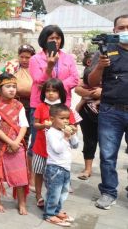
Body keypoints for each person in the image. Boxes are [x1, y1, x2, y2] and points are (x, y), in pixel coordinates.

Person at [89, 14, 128, 209]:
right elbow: (91, 82)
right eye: (121, 28)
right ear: (114, 31)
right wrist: (100, 67)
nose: (125, 31)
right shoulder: (105, 50)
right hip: (110, 111)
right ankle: (108, 192)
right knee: (108, 154)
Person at [29, 26, 79, 155]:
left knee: (61, 139)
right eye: (52, 38)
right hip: (40, 105)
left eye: (58, 38)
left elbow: (74, 79)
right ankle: (34, 174)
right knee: (37, 142)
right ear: (44, 40)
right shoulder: (35, 59)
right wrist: (49, 66)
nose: (55, 41)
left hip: (62, 106)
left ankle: (56, 168)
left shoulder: (68, 58)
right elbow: (38, 81)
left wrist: (56, 86)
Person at [0, 72, 29, 215]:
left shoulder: (19, 105)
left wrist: (16, 142)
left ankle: (21, 202)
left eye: (14, 87)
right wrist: (10, 142)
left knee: (21, 174)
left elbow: (24, 125)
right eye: (8, 86)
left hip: (17, 143)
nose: (12, 90)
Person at [32, 78, 77, 209]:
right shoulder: (41, 107)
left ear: (61, 93)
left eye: (54, 91)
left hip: (58, 151)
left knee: (53, 175)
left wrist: (72, 129)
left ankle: (51, 197)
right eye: (48, 90)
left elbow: (73, 125)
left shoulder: (65, 109)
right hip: (41, 147)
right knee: (39, 171)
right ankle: (38, 194)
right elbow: (35, 124)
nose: (50, 93)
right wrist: (43, 125)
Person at [43, 104, 76, 227]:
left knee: (63, 192)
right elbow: (57, 149)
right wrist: (66, 138)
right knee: (55, 192)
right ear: (52, 119)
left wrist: (73, 135)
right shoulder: (51, 132)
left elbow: (76, 145)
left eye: (67, 118)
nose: (66, 121)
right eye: (62, 118)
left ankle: (57, 211)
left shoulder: (63, 131)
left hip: (65, 167)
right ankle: (49, 214)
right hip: (55, 168)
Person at [74, 53, 101, 181]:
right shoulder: (88, 73)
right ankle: (87, 168)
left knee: (107, 144)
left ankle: (106, 170)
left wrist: (102, 93)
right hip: (87, 112)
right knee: (89, 140)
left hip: (108, 111)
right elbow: (78, 88)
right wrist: (91, 94)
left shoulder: (113, 73)